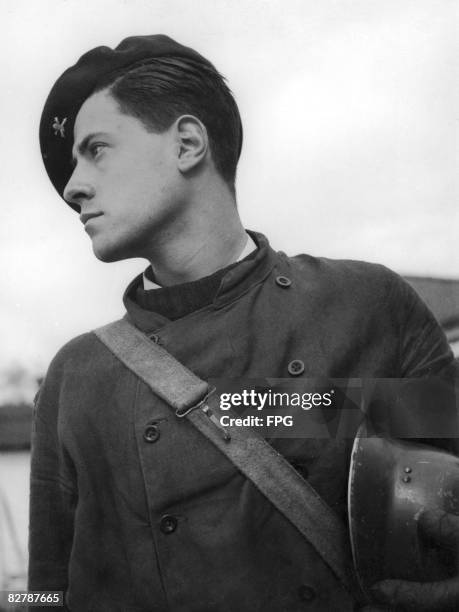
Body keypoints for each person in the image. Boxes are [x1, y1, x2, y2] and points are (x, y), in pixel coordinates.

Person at [29, 35, 458, 611]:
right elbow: (46, 590)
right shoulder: (76, 376)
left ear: (187, 144)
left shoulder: (367, 305)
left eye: (96, 149)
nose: (72, 185)